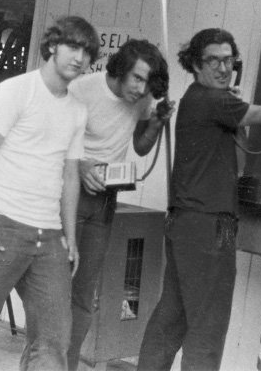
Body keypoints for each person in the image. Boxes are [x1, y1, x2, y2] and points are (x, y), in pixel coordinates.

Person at [137, 28, 261, 371]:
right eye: (214, 60)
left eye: (229, 60)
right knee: (207, 330)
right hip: (209, 228)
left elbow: (240, 159)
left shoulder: (206, 100)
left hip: (187, 225)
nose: (223, 68)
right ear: (196, 65)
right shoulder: (211, 99)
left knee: (172, 319)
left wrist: (234, 111)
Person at [0, 15, 99, 371]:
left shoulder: (77, 110)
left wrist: (70, 237)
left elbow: (70, 176)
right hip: (1, 226)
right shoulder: (14, 91)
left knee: (53, 341)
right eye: (73, 47)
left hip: (48, 237)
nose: (79, 58)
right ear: (52, 46)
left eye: (87, 52)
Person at [66, 39, 175, 371]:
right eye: (137, 79)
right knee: (53, 291)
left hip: (104, 201)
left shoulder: (140, 101)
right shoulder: (83, 89)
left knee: (84, 296)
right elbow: (50, 139)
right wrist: (81, 163)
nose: (141, 89)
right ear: (120, 69)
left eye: (148, 83)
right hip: (67, 194)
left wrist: (155, 123)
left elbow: (141, 147)